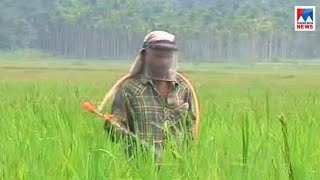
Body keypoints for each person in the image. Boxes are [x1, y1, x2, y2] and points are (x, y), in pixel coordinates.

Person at [104, 30, 197, 164]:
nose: (164, 61)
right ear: (145, 55)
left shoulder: (183, 88)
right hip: (139, 166)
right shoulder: (130, 89)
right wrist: (113, 126)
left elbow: (190, 128)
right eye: (158, 56)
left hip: (175, 166)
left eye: (168, 56)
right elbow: (116, 130)